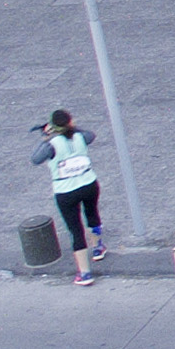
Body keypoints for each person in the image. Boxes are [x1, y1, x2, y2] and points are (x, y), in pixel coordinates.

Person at [31, 108, 106, 284]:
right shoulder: (81, 137)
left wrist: (46, 137)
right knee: (92, 214)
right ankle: (98, 247)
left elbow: (35, 159)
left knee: (75, 229)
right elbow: (91, 135)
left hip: (66, 191)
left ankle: (85, 273)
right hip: (88, 183)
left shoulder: (51, 145)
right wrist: (72, 127)